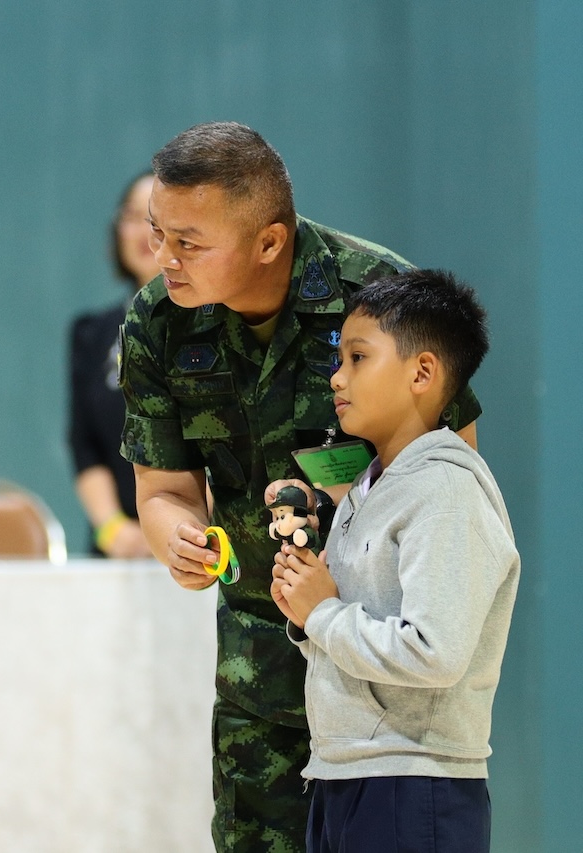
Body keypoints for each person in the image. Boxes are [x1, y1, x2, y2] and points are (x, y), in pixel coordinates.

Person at [118, 122, 482, 852]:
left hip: (380, 683)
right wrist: (177, 539)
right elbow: (162, 488)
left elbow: (451, 480)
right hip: (258, 671)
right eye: (158, 233)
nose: (164, 258)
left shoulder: (380, 301)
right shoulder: (158, 322)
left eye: (188, 242)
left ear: (269, 242)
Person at [271, 270, 520, 853]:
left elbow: (434, 652)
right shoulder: (370, 487)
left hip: (414, 781)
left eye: (358, 358)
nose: (337, 377)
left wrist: (323, 614)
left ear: (422, 373)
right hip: (344, 771)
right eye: (339, 359)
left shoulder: (445, 490)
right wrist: (304, 607)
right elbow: (349, 628)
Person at [67, 171, 157, 558]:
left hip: (205, 546)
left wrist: (177, 529)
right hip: (119, 551)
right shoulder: (92, 333)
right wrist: (113, 529)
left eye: (156, 219)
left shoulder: (221, 326)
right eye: (132, 216)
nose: (143, 231)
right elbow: (84, 443)